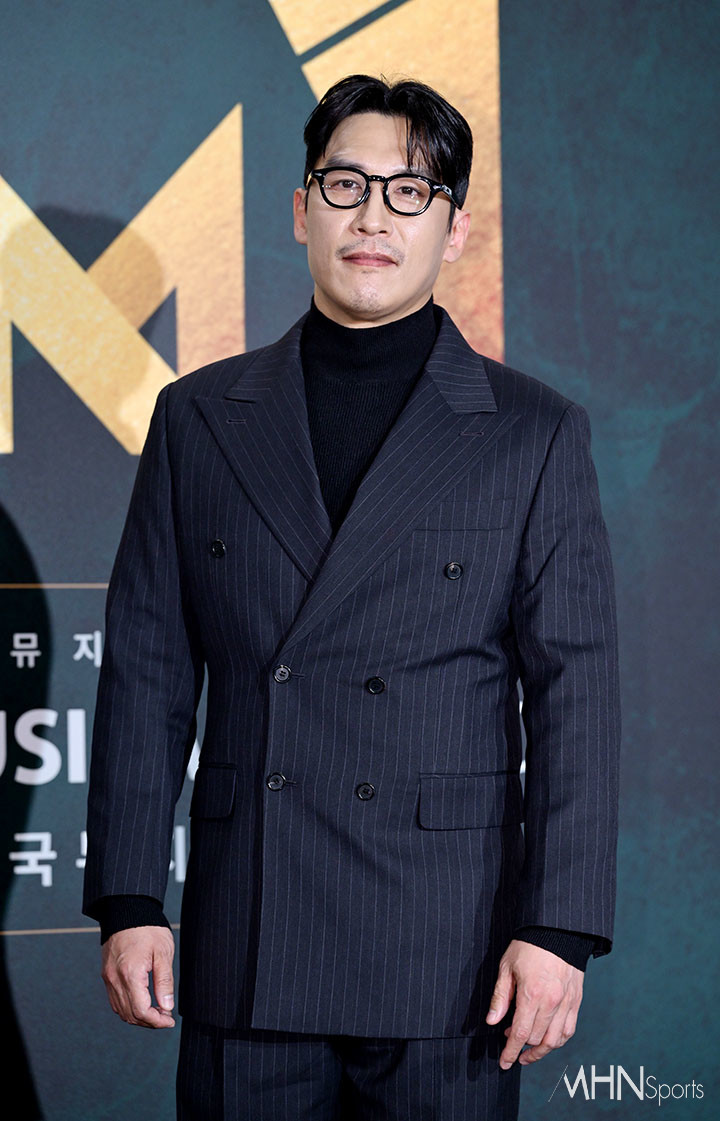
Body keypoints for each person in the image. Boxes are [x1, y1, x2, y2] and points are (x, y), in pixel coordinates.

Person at [83, 74, 621, 1121]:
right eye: (346, 185)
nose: (374, 217)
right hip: (251, 928)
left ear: (455, 230)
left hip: (450, 946)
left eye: (410, 192)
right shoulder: (200, 419)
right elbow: (146, 669)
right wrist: (129, 895)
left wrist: (558, 926)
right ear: (301, 209)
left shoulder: (531, 431)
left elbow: (577, 694)